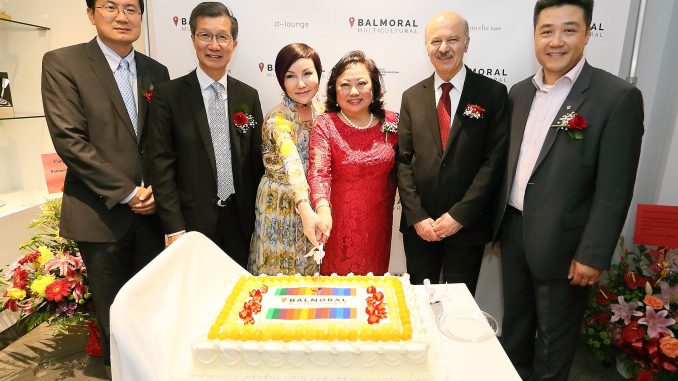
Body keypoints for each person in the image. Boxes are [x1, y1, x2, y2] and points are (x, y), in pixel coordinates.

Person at [493, 1, 644, 379]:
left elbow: (614, 187)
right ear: (535, 36)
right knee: (514, 334)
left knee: (553, 347)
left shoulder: (615, 97)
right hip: (513, 232)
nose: (556, 41)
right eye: (546, 31)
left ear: (588, 33)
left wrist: (592, 254)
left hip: (566, 247)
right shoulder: (518, 93)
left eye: (569, 29)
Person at [41, 0, 169, 369]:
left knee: (152, 314)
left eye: (131, 8)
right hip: (101, 215)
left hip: (151, 215)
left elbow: (161, 142)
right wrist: (129, 193)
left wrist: (158, 191)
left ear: (141, 16)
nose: (121, 16)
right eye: (110, 6)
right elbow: (69, 141)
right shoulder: (64, 63)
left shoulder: (155, 71)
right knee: (117, 320)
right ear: (91, 13)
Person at [146, 2, 263, 268]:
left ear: (233, 43)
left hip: (240, 222)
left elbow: (256, 164)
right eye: (205, 36)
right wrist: (174, 228)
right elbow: (160, 165)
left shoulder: (248, 95)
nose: (214, 45)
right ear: (193, 39)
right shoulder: (169, 95)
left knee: (239, 297)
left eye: (222, 37)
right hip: (190, 225)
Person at [397, 12, 508, 293]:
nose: (444, 47)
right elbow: (403, 160)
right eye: (436, 40)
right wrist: (417, 217)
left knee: (461, 309)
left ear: (467, 43)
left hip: (467, 227)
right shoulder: (412, 96)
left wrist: (459, 215)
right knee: (421, 304)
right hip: (420, 228)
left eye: (453, 39)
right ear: (426, 45)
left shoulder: (492, 93)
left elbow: (493, 162)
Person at [307, 50, 398, 276]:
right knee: (340, 297)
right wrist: (322, 210)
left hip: (378, 227)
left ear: (374, 88)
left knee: (373, 296)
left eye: (361, 83)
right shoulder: (325, 124)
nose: (354, 92)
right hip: (337, 226)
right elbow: (319, 174)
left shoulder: (392, 122)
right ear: (334, 90)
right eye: (345, 85)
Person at [248, 43, 327, 276]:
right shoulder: (278, 118)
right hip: (280, 203)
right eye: (290, 76)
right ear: (281, 80)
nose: (300, 84)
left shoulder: (323, 114)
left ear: (319, 75)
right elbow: (291, 160)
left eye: (307, 74)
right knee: (277, 279)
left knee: (311, 273)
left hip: (313, 202)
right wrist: (304, 206)